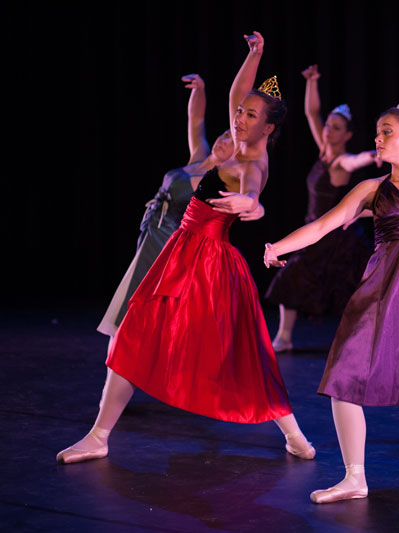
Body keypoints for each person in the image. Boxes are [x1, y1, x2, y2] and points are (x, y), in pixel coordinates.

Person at [57, 31, 314, 465]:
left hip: (209, 263)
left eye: (251, 115)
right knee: (134, 333)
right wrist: (255, 53)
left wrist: (251, 205)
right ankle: (99, 436)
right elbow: (234, 93)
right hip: (181, 252)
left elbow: (254, 195)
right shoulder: (231, 145)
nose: (240, 118)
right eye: (240, 112)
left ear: (268, 127)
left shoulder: (253, 162)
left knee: (239, 353)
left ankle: (293, 434)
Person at [265, 29, 399, 504]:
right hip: (381, 290)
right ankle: (355, 477)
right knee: (345, 374)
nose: (378, 138)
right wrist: (279, 244)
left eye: (386, 132)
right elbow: (324, 224)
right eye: (378, 132)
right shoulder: (370, 190)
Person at [97, 73, 260, 340]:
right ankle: (124, 349)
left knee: (148, 304)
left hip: (170, 243)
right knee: (133, 296)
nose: (222, 141)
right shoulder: (198, 157)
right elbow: (195, 121)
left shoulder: (218, 179)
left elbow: (249, 192)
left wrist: (254, 204)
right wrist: (199, 90)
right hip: (151, 234)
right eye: (222, 136)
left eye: (230, 141)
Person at [265, 64, 378, 352]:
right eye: (328, 125)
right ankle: (285, 337)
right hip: (316, 232)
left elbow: (355, 161)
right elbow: (311, 113)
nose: (328, 130)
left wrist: (372, 156)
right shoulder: (324, 152)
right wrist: (312, 82)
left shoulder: (340, 161)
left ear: (348, 135)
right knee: (291, 280)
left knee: (350, 289)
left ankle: (363, 342)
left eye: (336, 128)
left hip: (336, 237)